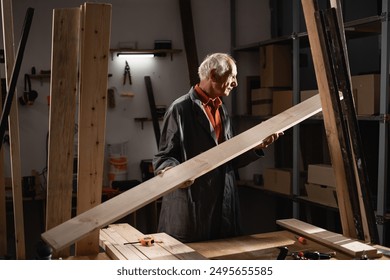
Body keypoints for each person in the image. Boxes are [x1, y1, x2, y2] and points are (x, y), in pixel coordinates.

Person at [153, 53, 281, 243]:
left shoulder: (221, 109)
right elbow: (164, 157)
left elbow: (229, 157)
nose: (236, 83)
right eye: (233, 76)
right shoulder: (180, 109)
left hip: (223, 203)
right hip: (193, 206)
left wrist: (257, 146)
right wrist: (173, 173)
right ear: (213, 75)